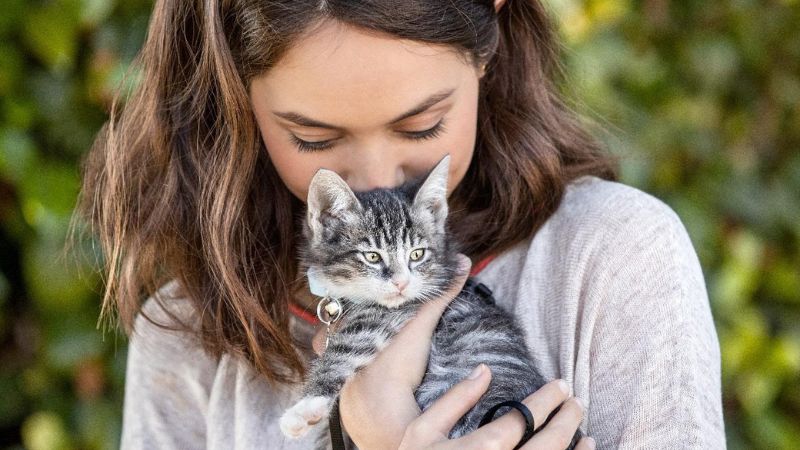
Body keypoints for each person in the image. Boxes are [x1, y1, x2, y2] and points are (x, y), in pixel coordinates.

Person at [73, 0, 726, 448]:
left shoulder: (611, 264)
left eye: (422, 126)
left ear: (491, 27)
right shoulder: (190, 335)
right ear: (237, 85)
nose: (380, 180)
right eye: (314, 138)